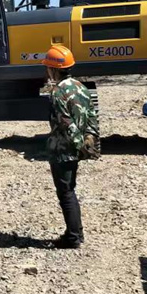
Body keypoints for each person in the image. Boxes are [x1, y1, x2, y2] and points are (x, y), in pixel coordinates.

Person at [43, 43, 99, 249]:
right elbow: (92, 117)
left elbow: (66, 123)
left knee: (66, 192)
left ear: (54, 69)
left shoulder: (58, 92)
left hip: (63, 149)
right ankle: (77, 233)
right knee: (70, 189)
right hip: (76, 146)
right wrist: (89, 142)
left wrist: (77, 144)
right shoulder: (81, 87)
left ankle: (73, 237)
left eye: (47, 67)